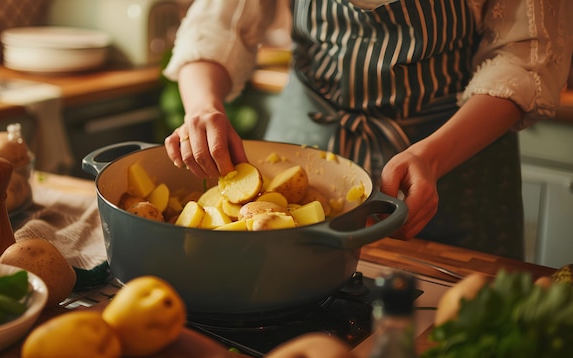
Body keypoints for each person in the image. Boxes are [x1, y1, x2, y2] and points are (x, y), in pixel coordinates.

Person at [162, 0, 572, 260]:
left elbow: (526, 58)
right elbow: (217, 24)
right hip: (303, 146)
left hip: (451, 161)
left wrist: (432, 156)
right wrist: (202, 107)